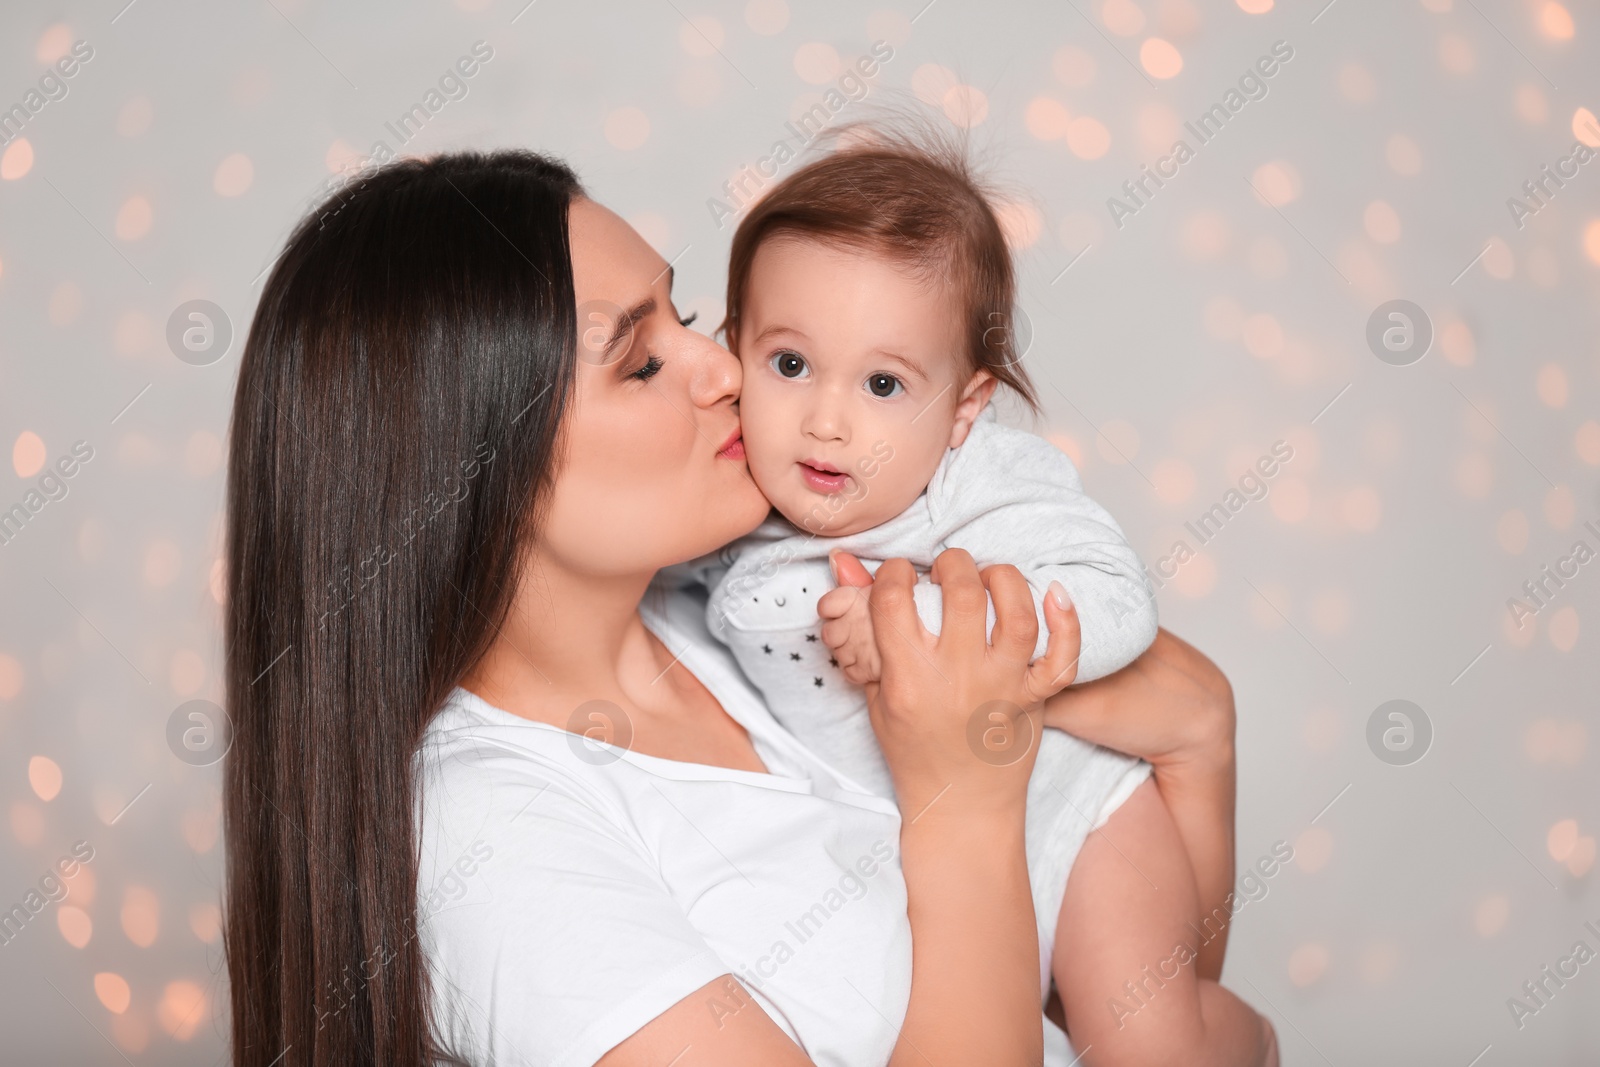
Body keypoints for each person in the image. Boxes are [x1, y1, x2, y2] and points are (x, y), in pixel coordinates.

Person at [223, 148, 1275, 1066]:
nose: (723, 368)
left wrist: (1200, 744)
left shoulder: (734, 608)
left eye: (686, 318)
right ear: (462, 466)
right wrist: (966, 801)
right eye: (641, 361)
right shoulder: (483, 839)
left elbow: (1097, 985)